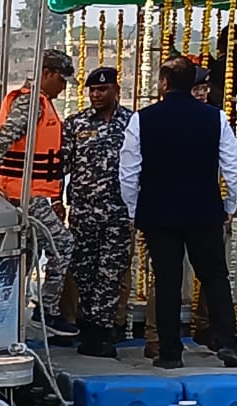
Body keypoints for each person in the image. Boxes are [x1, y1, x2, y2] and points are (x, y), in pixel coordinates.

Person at [120, 55, 237, 369]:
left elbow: (128, 172)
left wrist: (135, 210)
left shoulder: (142, 119)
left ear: (163, 83)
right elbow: (234, 170)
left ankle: (170, 352)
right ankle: (228, 344)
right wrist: (230, 205)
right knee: (215, 277)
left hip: (158, 212)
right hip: (204, 210)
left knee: (167, 281)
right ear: (193, 84)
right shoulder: (215, 118)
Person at [0, 49, 80, 336]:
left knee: (28, 253)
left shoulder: (40, 103)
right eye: (62, 80)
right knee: (63, 245)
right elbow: (2, 140)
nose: (63, 88)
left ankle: (4, 307)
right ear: (47, 74)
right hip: (21, 193)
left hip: (33, 192)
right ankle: (46, 312)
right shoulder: (31, 104)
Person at [62, 67, 134, 358]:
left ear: (116, 90)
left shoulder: (132, 123)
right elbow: (61, 167)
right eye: (92, 90)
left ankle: (102, 334)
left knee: (111, 274)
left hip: (118, 213)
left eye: (102, 90)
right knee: (84, 272)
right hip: (84, 213)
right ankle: (87, 328)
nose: (96, 95)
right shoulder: (76, 124)